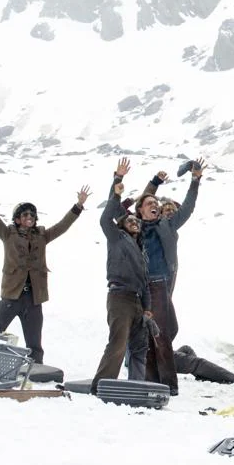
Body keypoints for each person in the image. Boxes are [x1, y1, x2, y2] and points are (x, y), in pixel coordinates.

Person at [0, 172, 90, 364]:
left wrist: (78, 206)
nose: (30, 217)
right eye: (25, 214)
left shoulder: (42, 236)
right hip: (12, 296)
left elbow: (62, 226)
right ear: (17, 219)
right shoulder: (7, 234)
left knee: (34, 344)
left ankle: (36, 373)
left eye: (32, 214)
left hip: (34, 299)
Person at [132, 158, 206, 395]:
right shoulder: (133, 226)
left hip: (160, 285)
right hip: (142, 287)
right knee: (156, 334)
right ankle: (162, 383)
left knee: (165, 332)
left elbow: (188, 207)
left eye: (156, 203)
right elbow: (137, 202)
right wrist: (153, 184)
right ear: (141, 210)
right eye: (149, 203)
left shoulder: (167, 224)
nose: (154, 205)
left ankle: (162, 381)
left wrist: (195, 180)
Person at [91, 163, 153, 393]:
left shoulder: (141, 250)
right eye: (130, 220)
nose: (135, 222)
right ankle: (101, 386)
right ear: (121, 226)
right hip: (119, 296)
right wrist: (116, 183)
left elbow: (145, 282)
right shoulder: (116, 238)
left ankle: (136, 386)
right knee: (117, 343)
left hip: (137, 300)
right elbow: (106, 218)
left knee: (139, 346)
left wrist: (147, 308)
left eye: (136, 221)